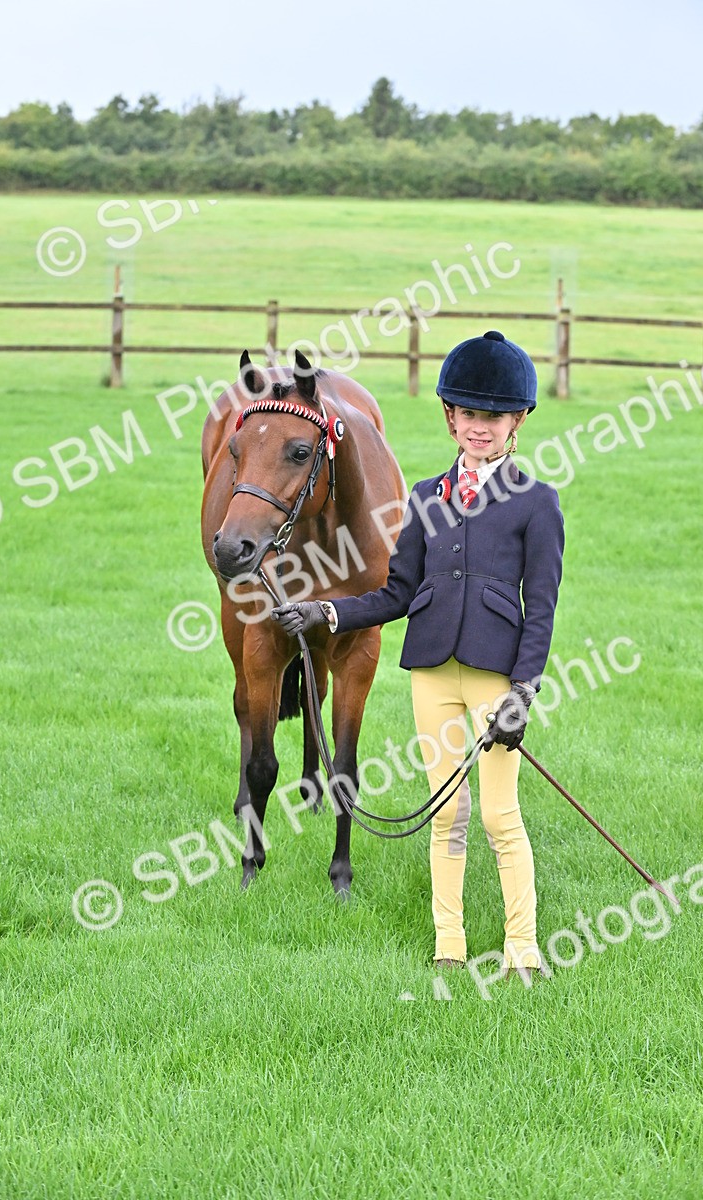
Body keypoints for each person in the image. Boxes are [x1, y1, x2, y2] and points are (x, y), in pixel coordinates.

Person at [271, 330, 565, 981]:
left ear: (517, 421)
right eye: (467, 414)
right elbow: (396, 593)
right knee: (447, 812)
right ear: (449, 416)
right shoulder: (426, 498)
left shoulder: (536, 503)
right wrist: (327, 612)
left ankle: (523, 945)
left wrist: (522, 692)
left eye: (492, 416)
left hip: (495, 679)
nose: (478, 427)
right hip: (432, 672)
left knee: (498, 814)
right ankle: (449, 943)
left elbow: (539, 608)